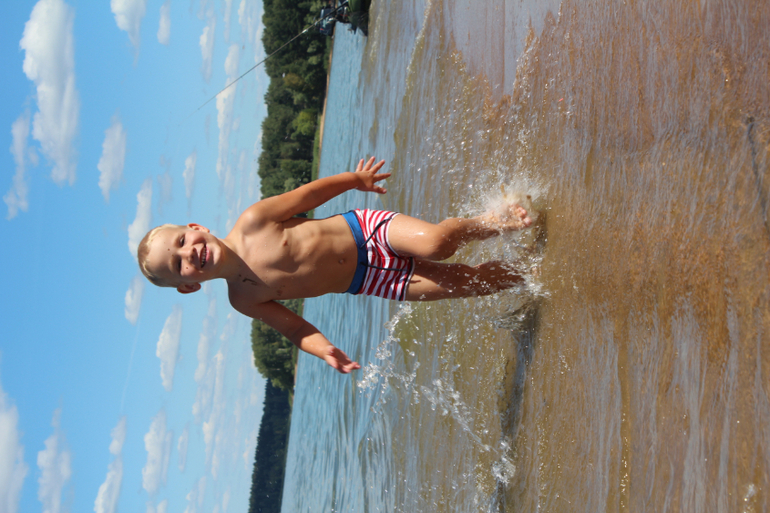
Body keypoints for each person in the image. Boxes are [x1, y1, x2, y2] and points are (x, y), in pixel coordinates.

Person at [138, 157, 532, 374]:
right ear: (188, 286)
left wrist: (353, 179)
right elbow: (294, 329)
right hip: (371, 280)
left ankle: (492, 221)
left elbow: (307, 195)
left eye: (182, 242)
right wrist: (323, 349)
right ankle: (529, 274)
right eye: (178, 266)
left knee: (436, 243)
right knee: (465, 284)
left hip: (365, 232)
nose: (189, 254)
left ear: (196, 228)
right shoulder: (243, 298)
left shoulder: (253, 221)